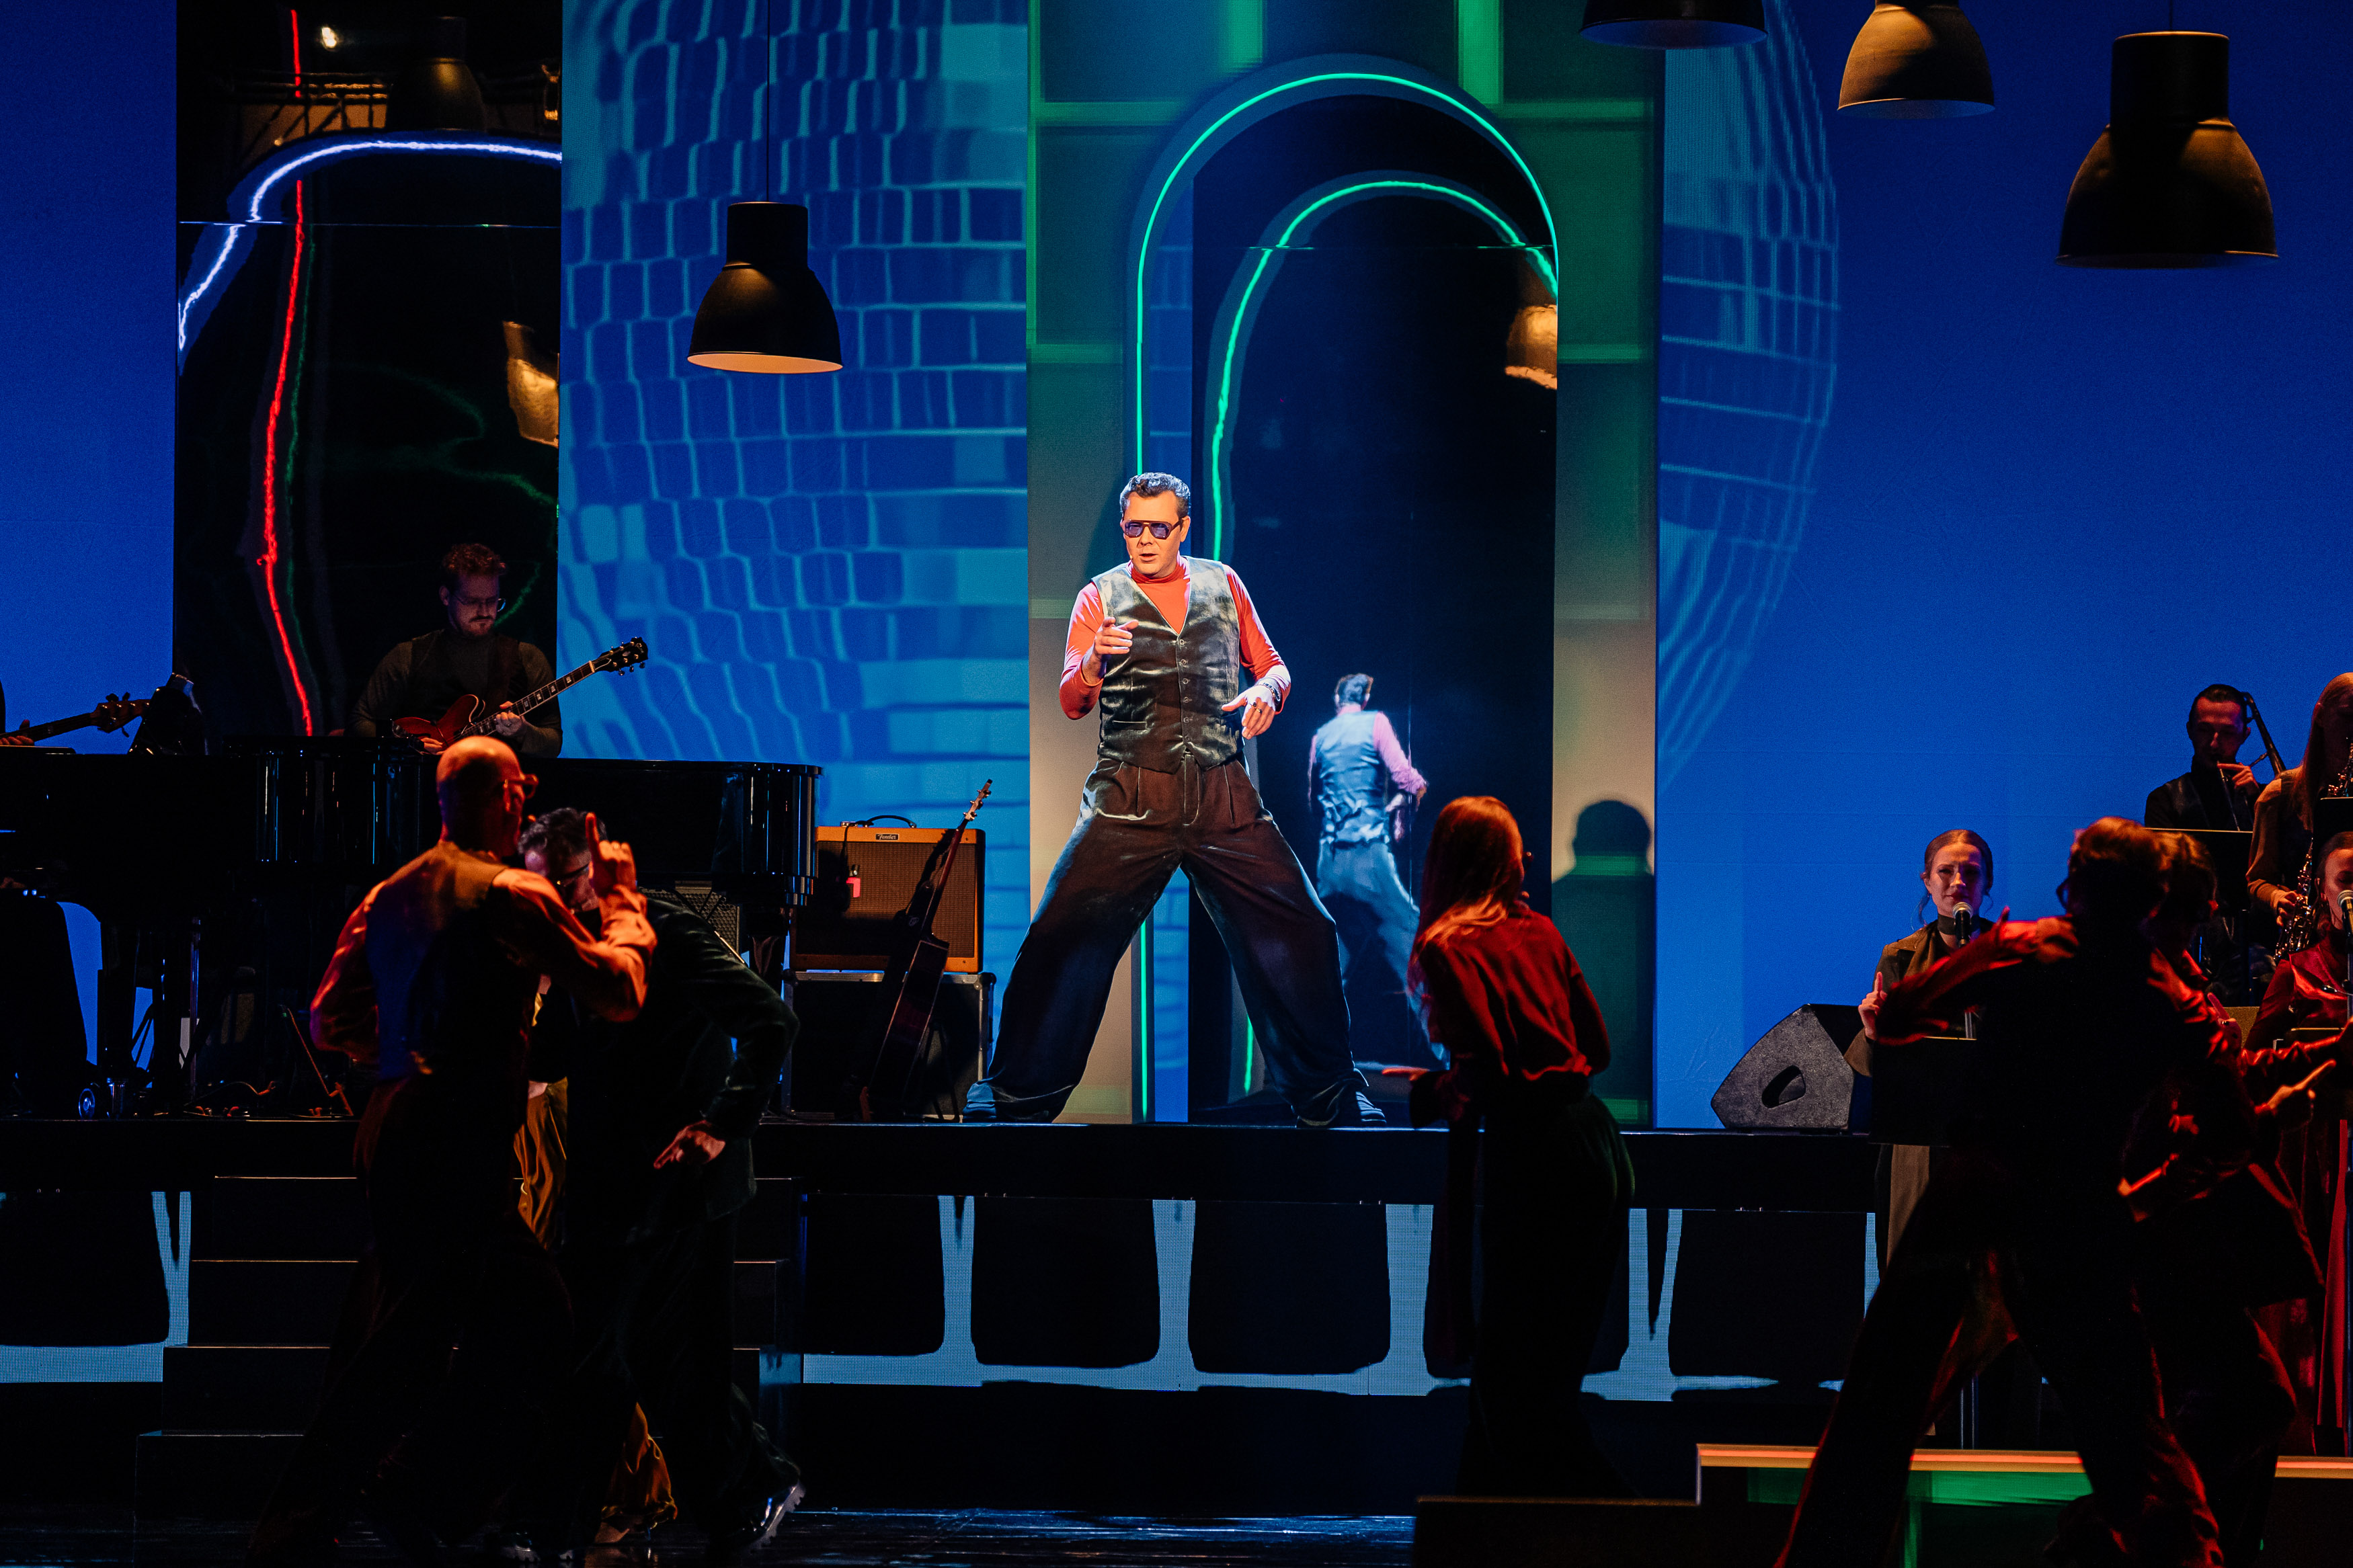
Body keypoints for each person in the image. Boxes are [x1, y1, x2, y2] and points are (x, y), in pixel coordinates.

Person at [247, 739, 654, 1568]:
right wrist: (622, 901)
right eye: (520, 785)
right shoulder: (511, 891)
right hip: (456, 1128)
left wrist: (409, 1048)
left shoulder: (389, 891)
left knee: (438, 1326)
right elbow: (618, 991)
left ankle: (381, 1504)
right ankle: (362, 1506)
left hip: (395, 1120)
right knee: (463, 1333)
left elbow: (329, 1019)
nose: (527, 794)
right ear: (505, 797)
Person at [1777, 819, 2223, 1568]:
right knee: (2128, 1438)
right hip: (2079, 1213)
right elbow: (2227, 1129)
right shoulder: (2169, 996)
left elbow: (1902, 1013)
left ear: (2073, 888)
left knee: (1879, 1408)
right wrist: (2140, 1195)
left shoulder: (2024, 946)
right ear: (2151, 899)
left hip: (1976, 1193)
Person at [969, 472, 1378, 1126]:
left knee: (1302, 924)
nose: (1145, 539)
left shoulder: (1223, 583)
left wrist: (1268, 691)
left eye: (1159, 527)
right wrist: (1092, 663)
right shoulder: (1099, 596)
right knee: (1060, 932)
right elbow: (1071, 700)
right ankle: (1012, 1096)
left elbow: (1273, 664)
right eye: (1134, 527)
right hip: (1131, 791)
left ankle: (1331, 1092)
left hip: (1222, 791)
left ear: (1183, 528)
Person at [518, 808, 801, 1563]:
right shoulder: (572, 942)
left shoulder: (666, 931)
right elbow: (559, 1051)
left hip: (684, 1180)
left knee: (664, 1359)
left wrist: (720, 1124)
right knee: (616, 1353)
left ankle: (739, 1490)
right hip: (618, 1179)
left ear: (597, 870)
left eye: (568, 884)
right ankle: (737, 1489)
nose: (558, 901)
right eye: (544, 888)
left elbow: (771, 1021)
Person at [1388, 797, 1631, 1496]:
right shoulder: (1540, 931)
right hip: (1595, 1147)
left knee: (1515, 1382)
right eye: (1516, 848)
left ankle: (1635, 1529)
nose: (1527, 859)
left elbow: (1490, 1073)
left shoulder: (1447, 945)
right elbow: (1597, 1048)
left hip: (1535, 1157)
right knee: (1542, 1371)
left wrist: (1428, 1091)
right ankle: (1484, 1526)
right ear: (1496, 861)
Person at [2242, 828, 2353, 1452]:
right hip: (2319, 1162)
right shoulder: (2297, 973)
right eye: (2347, 881)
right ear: (2323, 894)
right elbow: (2252, 1064)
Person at [1851, 829, 1996, 1260]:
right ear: (1927, 881)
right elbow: (1880, 1070)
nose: (1958, 882)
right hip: (1919, 1140)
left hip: (1993, 1137)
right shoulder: (1901, 957)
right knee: (1919, 1267)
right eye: (1946, 871)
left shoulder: (2012, 953)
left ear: (1987, 882)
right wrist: (1875, 1034)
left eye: (1971, 872)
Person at [1308, 673, 1430, 1067]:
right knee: (1411, 943)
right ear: (1365, 698)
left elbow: (1313, 800)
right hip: (1368, 857)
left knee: (1332, 962)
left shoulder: (1321, 736)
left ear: (1337, 699)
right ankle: (1451, 1052)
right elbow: (1407, 780)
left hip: (1329, 860)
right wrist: (1400, 813)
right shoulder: (1376, 723)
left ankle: (1314, 1059)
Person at [350, 543, 563, 755]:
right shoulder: (409, 655)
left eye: (492, 601)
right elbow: (359, 721)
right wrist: (407, 745)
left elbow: (554, 742)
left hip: (500, 776)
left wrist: (524, 732)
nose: (484, 611)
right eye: (472, 601)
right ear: (446, 596)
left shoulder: (528, 657)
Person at [2247, 673, 2353, 939]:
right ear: (2320, 716)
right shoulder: (2280, 794)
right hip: (2305, 943)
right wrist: (2277, 898)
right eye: (2347, 716)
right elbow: (2257, 881)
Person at [2146, 685, 2264, 831]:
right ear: (2190, 731)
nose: (2214, 744)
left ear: (2245, 735)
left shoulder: (2265, 800)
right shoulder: (2164, 800)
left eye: (2227, 733)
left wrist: (2256, 802)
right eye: (2204, 730)